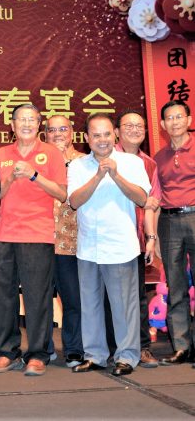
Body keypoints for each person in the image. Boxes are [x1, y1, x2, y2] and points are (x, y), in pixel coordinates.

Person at [0, 104, 67, 377]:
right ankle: (6, 353)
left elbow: (62, 193)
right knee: (5, 297)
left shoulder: (51, 153)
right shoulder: (1, 154)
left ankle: (38, 354)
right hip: (6, 235)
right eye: (21, 119)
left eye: (32, 119)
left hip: (38, 234)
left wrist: (34, 175)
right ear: (12, 125)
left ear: (39, 124)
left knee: (37, 298)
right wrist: (12, 176)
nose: (26, 124)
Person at [69, 113, 150, 377]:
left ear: (114, 134)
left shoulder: (131, 162)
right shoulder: (78, 165)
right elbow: (74, 202)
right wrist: (97, 176)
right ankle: (95, 355)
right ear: (86, 138)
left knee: (124, 306)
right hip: (88, 246)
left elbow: (142, 198)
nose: (102, 140)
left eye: (106, 134)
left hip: (120, 245)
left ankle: (127, 356)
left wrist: (115, 175)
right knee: (90, 305)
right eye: (96, 135)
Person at [114, 111, 161, 368]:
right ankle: (113, 347)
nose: (134, 129)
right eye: (128, 125)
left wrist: (151, 238)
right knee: (109, 296)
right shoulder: (106, 157)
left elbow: (151, 204)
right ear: (117, 131)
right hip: (110, 237)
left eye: (139, 126)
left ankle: (142, 347)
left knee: (138, 295)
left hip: (137, 237)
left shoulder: (149, 164)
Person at [154, 100, 195, 366]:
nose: (174, 122)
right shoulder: (159, 157)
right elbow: (156, 197)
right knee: (175, 286)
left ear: (189, 120)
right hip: (168, 221)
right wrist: (155, 236)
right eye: (169, 118)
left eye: (179, 116)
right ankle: (182, 346)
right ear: (162, 124)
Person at [44, 114, 85, 368]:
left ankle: (74, 349)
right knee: (40, 301)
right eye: (52, 130)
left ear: (72, 132)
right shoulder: (38, 160)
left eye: (63, 129)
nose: (57, 134)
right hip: (40, 239)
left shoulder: (85, 161)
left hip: (73, 242)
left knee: (73, 300)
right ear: (45, 135)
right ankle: (43, 348)